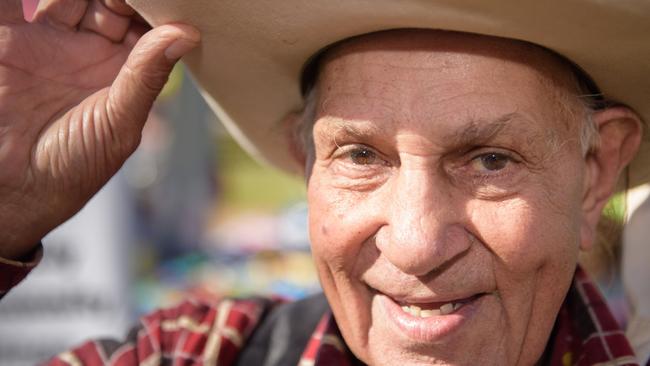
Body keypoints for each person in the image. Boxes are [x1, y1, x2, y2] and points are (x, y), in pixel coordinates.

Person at [1, 0, 649, 364]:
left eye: (490, 161)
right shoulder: (193, 357)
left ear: (595, 176)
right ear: (307, 165)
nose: (417, 244)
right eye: (362, 156)